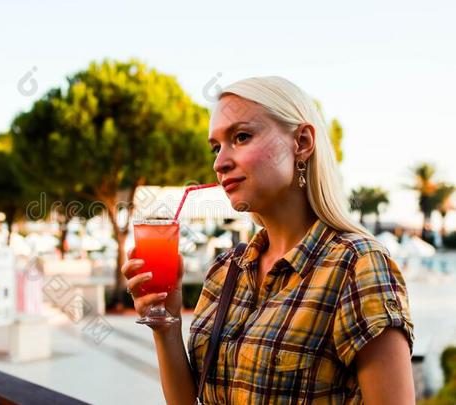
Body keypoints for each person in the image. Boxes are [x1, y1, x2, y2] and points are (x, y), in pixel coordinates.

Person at [122, 76, 416, 404]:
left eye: (242, 137)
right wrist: (167, 325)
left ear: (302, 142)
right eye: (216, 147)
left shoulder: (357, 266)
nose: (219, 163)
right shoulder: (225, 270)